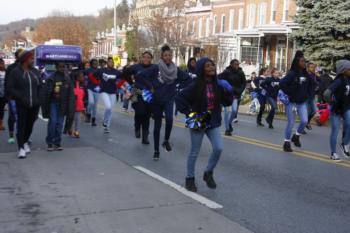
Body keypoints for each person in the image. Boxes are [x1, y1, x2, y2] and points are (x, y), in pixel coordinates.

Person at [175, 57, 233, 192]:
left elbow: (227, 102)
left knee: (218, 148)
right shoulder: (195, 85)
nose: (211, 68)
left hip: (212, 120)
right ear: (202, 69)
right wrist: (190, 114)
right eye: (207, 66)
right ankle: (190, 178)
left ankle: (208, 173)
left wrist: (229, 91)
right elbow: (179, 98)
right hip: (198, 119)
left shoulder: (217, 84)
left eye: (212, 65)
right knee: (194, 151)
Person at [135, 45, 190, 160]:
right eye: (165, 55)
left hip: (169, 99)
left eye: (170, 55)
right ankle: (156, 151)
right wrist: (150, 86)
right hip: (156, 100)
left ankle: (166, 140)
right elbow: (140, 75)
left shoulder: (176, 69)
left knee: (169, 119)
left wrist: (179, 87)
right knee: (157, 126)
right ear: (162, 56)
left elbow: (187, 79)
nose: (168, 57)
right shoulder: (156, 68)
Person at [7, 49, 41, 158]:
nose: (33, 60)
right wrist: (21, 98)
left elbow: (40, 86)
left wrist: (39, 99)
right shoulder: (15, 72)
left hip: (34, 104)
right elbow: (10, 88)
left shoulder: (35, 72)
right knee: (21, 126)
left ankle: (25, 141)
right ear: (25, 60)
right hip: (22, 104)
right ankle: (21, 148)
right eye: (31, 59)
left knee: (30, 125)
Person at [280, 51, 312, 152]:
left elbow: (311, 85)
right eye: (302, 61)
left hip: (302, 102)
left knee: (304, 121)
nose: (304, 63)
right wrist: (290, 93)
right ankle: (286, 143)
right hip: (291, 102)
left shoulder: (305, 74)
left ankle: (296, 136)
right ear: (297, 62)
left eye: (305, 61)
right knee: (291, 123)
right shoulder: (292, 73)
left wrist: (307, 94)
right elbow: (282, 84)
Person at [41, 62, 75, 151]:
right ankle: (49, 142)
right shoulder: (51, 78)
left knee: (59, 124)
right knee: (53, 122)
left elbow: (71, 95)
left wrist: (70, 107)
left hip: (63, 105)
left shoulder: (68, 79)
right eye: (60, 67)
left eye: (64, 67)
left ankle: (57, 143)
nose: (62, 68)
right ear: (56, 67)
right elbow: (46, 92)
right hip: (53, 103)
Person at [124, 51, 154, 144]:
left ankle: (145, 136)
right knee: (139, 112)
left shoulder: (154, 68)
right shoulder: (136, 67)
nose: (146, 59)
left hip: (148, 93)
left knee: (147, 115)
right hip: (136, 92)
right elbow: (125, 73)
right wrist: (131, 83)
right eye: (144, 57)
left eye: (148, 57)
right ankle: (137, 126)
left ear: (151, 59)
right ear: (141, 58)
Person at [89, 57, 125, 133]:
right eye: (109, 62)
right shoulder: (101, 71)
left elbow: (124, 78)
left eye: (112, 62)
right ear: (107, 63)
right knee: (108, 107)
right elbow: (91, 76)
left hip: (113, 92)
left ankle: (106, 126)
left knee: (111, 110)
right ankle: (104, 120)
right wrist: (97, 83)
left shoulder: (116, 72)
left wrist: (118, 85)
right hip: (104, 91)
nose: (111, 63)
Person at [323, 60, 350, 161]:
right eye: (349, 69)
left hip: (346, 107)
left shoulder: (349, 79)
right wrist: (330, 102)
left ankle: (344, 143)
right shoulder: (339, 81)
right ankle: (333, 153)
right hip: (336, 109)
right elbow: (326, 93)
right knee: (335, 131)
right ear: (343, 70)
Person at [219, 59, 246, 135]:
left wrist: (240, 91)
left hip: (235, 94)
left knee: (234, 110)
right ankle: (227, 129)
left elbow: (244, 83)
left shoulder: (241, 72)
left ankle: (229, 123)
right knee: (226, 112)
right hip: (226, 94)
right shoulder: (227, 72)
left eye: (238, 64)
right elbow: (218, 78)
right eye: (235, 64)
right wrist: (224, 87)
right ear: (231, 64)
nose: (237, 66)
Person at [4, 48, 23, 144]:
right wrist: (7, 97)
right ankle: (11, 135)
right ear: (16, 57)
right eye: (21, 55)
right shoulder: (11, 68)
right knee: (12, 117)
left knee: (23, 117)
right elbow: (7, 83)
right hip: (12, 97)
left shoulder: (26, 67)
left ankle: (22, 135)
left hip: (23, 97)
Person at [305, 62, 321, 131]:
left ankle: (307, 122)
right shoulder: (306, 75)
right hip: (306, 96)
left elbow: (320, 80)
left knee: (314, 111)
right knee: (307, 112)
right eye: (311, 67)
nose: (313, 68)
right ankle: (303, 126)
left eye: (314, 67)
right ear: (308, 68)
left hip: (312, 96)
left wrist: (317, 86)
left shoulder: (314, 75)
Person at [71, 69, 86, 138]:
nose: (83, 78)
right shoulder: (72, 84)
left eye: (83, 76)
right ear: (77, 77)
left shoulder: (83, 85)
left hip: (79, 105)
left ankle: (76, 131)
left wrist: (85, 105)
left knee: (77, 118)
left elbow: (85, 96)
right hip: (71, 105)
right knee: (71, 118)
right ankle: (70, 129)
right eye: (81, 76)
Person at [84, 58, 99, 126]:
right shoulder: (88, 70)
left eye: (97, 63)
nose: (96, 64)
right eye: (94, 63)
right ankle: (88, 114)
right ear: (91, 64)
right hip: (89, 88)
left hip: (97, 89)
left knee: (95, 105)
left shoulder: (99, 71)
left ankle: (93, 119)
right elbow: (81, 75)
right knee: (91, 102)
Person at [0, 58, 6, 130]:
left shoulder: (6, 72)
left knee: (1, 110)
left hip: (3, 95)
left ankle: (1, 124)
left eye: (2, 63)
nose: (2, 64)